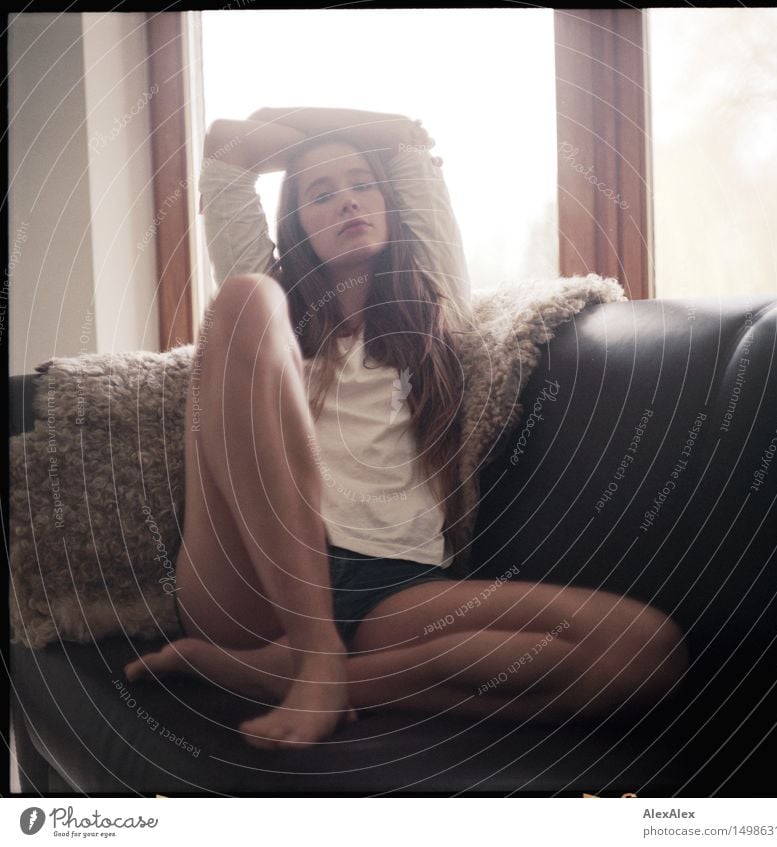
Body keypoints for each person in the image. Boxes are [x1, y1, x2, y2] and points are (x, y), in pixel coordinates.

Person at [124, 107, 688, 751]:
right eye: (321, 194)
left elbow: (403, 138)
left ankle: (304, 675)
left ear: (391, 202)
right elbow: (227, 147)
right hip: (250, 579)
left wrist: (332, 145)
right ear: (297, 225)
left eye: (363, 184)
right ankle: (311, 650)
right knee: (245, 300)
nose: (348, 203)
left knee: (643, 652)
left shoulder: (436, 298)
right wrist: (276, 123)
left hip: (387, 590)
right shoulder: (280, 298)